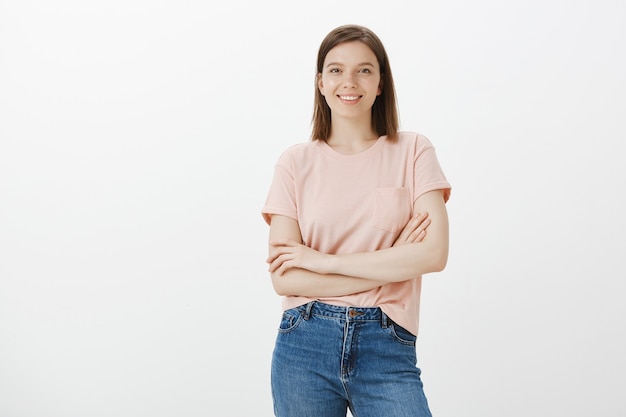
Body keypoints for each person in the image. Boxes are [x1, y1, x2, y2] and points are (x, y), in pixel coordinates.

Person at [261, 24, 451, 417]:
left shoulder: (414, 150)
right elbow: (285, 278)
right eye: (335, 70)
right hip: (304, 344)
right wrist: (395, 259)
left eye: (364, 70)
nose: (349, 81)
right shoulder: (294, 163)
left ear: (381, 83)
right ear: (320, 82)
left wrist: (324, 261)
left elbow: (433, 255)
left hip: (386, 344)